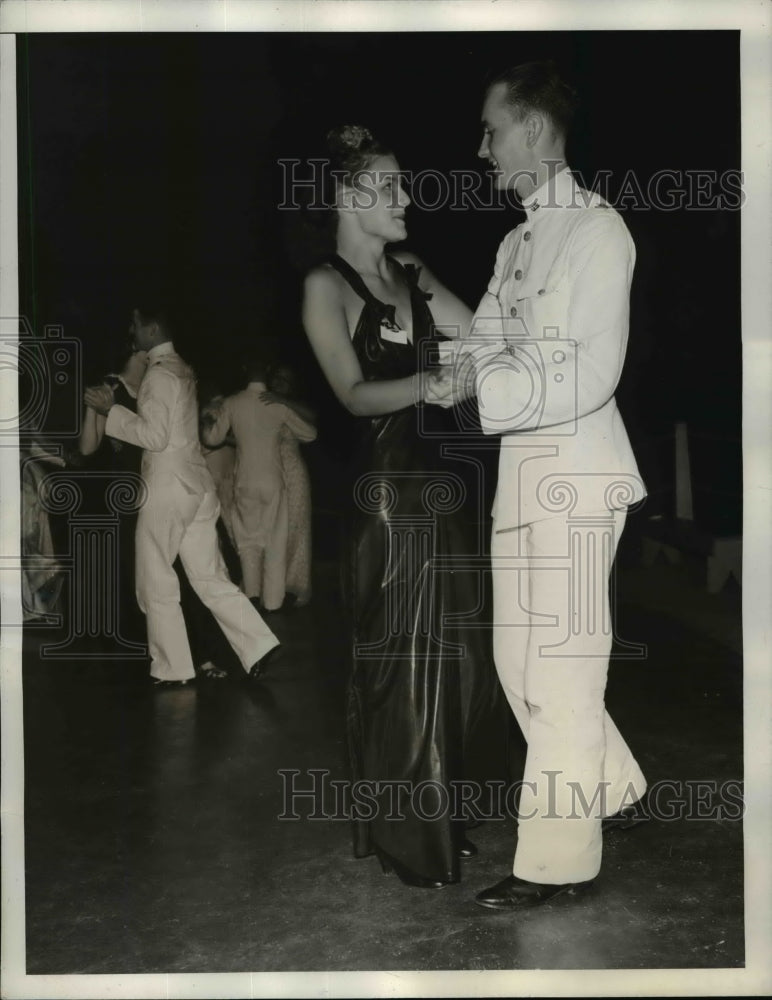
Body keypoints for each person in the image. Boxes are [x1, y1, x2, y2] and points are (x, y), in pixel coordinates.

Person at [460, 61, 648, 909]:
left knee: (564, 671)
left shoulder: (600, 233)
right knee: (515, 664)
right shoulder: (514, 242)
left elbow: (587, 374)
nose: (483, 148)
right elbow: (482, 343)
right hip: (521, 481)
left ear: (534, 130)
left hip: (578, 479)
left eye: (493, 131)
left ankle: (557, 863)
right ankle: (612, 786)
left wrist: (487, 379)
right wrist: (459, 366)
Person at [302, 125, 506, 888]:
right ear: (346, 198)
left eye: (402, 182)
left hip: (442, 491)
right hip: (384, 498)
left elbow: (485, 337)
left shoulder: (412, 269)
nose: (407, 198)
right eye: (387, 186)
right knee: (403, 665)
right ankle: (410, 836)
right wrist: (428, 383)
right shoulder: (323, 286)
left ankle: (442, 812)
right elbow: (354, 395)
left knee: (465, 661)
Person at [83, 305, 280, 688]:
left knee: (155, 578)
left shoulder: (158, 376)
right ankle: (258, 645)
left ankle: (172, 668)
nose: (132, 332)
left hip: (168, 489)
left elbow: (154, 438)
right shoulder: (183, 368)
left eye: (136, 326)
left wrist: (113, 411)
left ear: (152, 329)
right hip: (198, 489)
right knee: (210, 577)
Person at [201, 351, 317, 613]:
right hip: (274, 481)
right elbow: (310, 433)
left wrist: (207, 421)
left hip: (244, 481)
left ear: (244, 370)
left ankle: (252, 597)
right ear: (267, 371)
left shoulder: (232, 401)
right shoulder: (277, 405)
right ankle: (273, 602)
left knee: (248, 542)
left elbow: (212, 439)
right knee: (275, 542)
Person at [263, 363, 317, 607]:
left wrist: (282, 400)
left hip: (294, 473)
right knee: (269, 529)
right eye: (278, 376)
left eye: (286, 378)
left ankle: (294, 587)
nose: (280, 381)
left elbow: (314, 419)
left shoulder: (292, 407)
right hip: (266, 472)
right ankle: (270, 586)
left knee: (297, 527)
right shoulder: (263, 402)